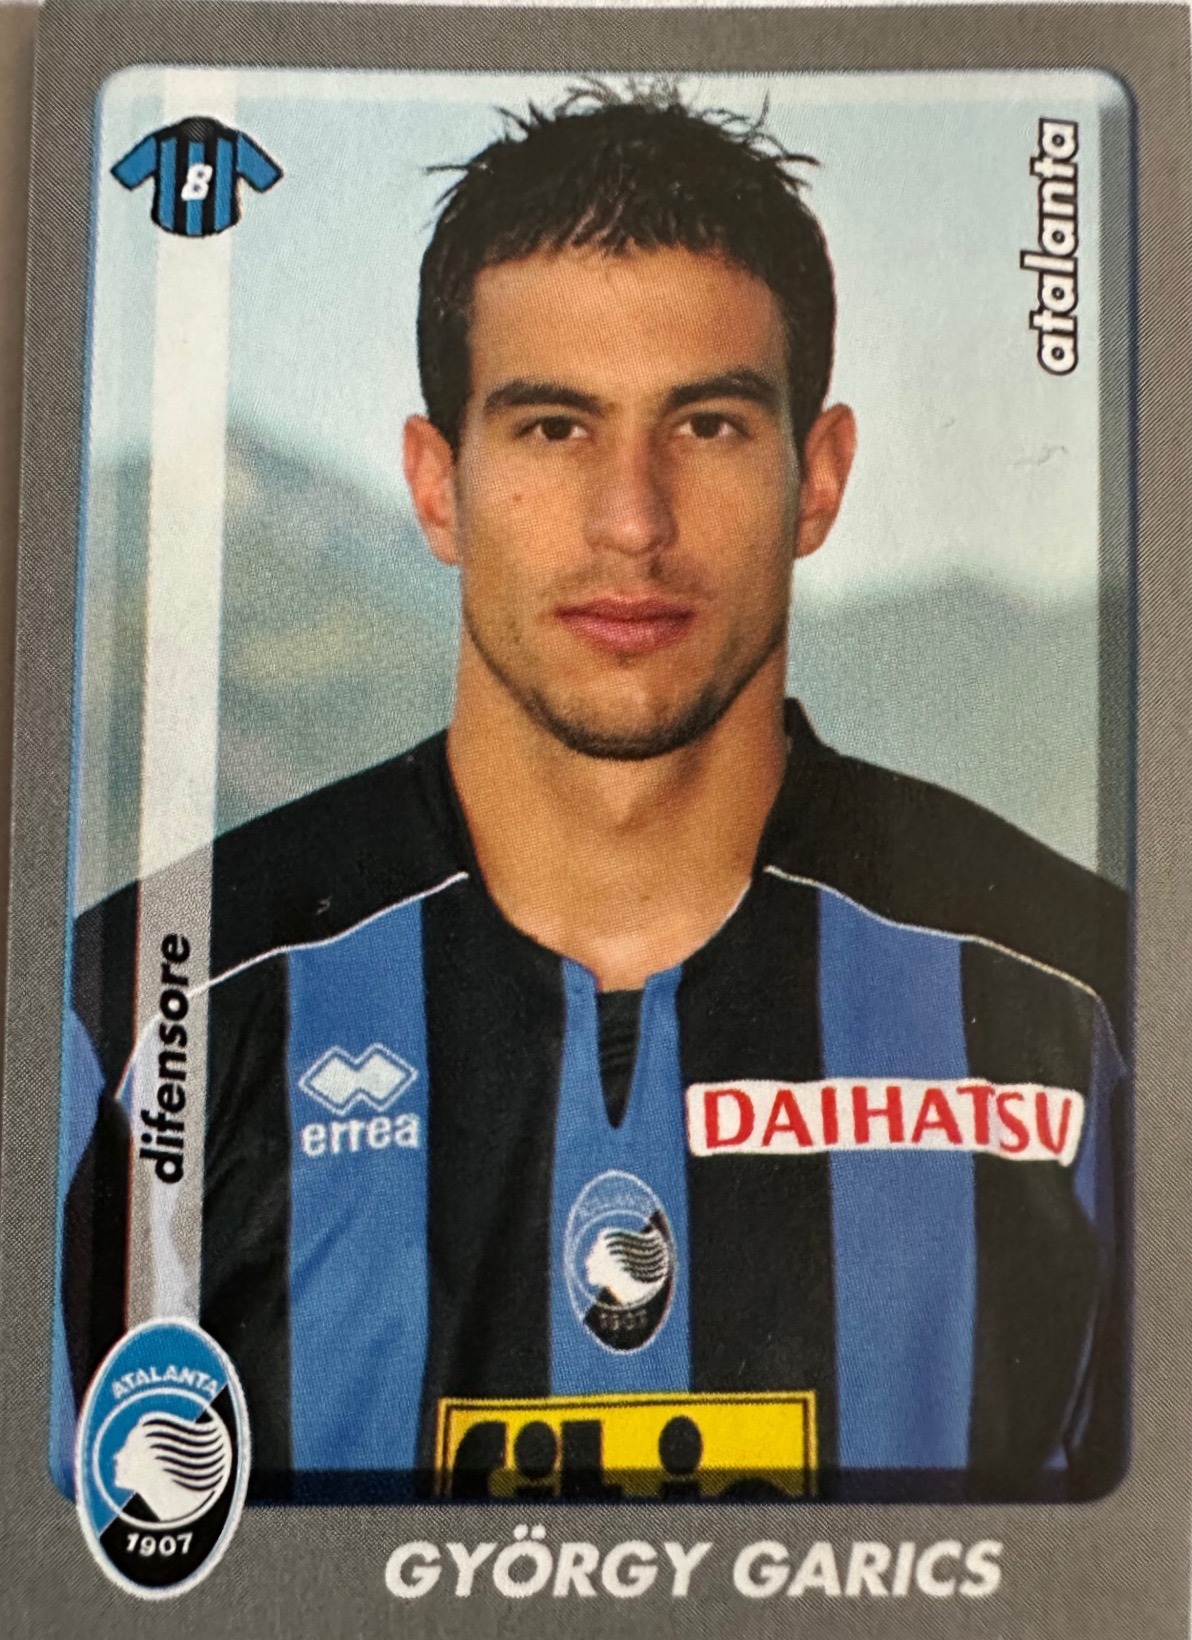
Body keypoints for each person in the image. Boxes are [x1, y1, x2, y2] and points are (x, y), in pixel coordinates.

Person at [55, 88, 1128, 1507]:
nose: (633, 519)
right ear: (438, 486)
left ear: (818, 478)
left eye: (710, 425)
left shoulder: (1088, 1002)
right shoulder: (143, 1021)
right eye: (555, 427)